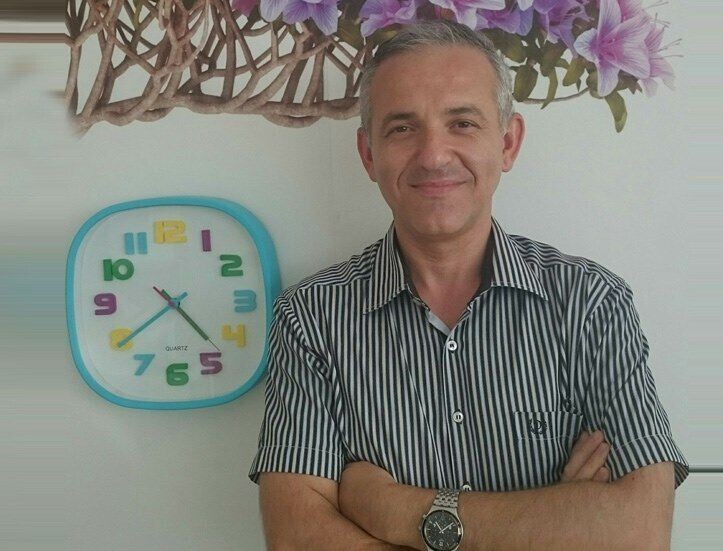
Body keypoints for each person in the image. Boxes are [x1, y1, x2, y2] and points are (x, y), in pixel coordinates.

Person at [248, 18, 689, 550]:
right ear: (368, 155)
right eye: (402, 128)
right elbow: (296, 539)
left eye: (462, 123)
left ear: (508, 142)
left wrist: (392, 508)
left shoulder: (592, 303)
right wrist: (558, 520)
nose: (434, 155)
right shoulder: (311, 317)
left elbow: (639, 533)